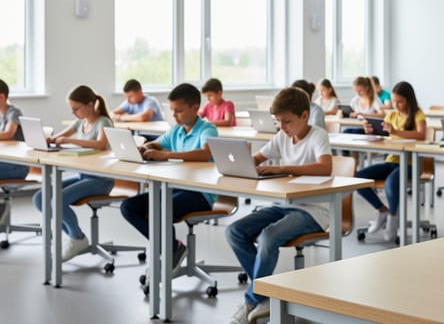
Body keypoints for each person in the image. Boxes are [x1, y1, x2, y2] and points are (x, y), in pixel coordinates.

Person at [225, 87, 332, 324]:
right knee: (234, 231)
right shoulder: (282, 136)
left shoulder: (318, 136)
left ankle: (253, 299)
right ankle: (265, 291)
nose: (282, 126)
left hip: (313, 210)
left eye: (287, 121)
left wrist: (281, 168)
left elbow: (325, 167)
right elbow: (257, 159)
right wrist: (242, 165)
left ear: (305, 116)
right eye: (278, 121)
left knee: (268, 237)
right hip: (285, 203)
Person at [119, 83, 218, 270]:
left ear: (195, 107)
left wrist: (166, 155)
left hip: (202, 193)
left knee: (161, 211)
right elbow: (157, 143)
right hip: (177, 188)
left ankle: (167, 252)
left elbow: (204, 153)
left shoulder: (207, 129)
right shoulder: (177, 130)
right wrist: (146, 147)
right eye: (172, 110)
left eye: (178, 110)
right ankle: (172, 248)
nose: (174, 115)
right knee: (128, 207)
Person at [32, 85, 114, 260]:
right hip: (83, 176)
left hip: (101, 180)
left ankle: (77, 238)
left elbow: (100, 144)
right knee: (40, 198)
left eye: (76, 109)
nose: (74, 113)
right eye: (72, 110)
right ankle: (76, 236)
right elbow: (60, 136)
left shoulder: (104, 122)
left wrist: (69, 140)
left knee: (57, 200)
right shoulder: (80, 122)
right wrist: (51, 140)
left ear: (90, 104)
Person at [355, 81, 426, 242]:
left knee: (392, 182)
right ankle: (382, 210)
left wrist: (395, 131)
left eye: (400, 101)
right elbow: (384, 136)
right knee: (358, 177)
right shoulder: (392, 115)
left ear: (409, 100)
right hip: (392, 160)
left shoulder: (418, 114)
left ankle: (393, 218)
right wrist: (371, 132)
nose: (396, 105)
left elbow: (421, 135)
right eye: (394, 101)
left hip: (411, 164)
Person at [0, 79, 28, 227]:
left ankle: (1, 207)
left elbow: (8, 134)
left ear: (2, 97)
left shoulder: (14, 112)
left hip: (18, 166)